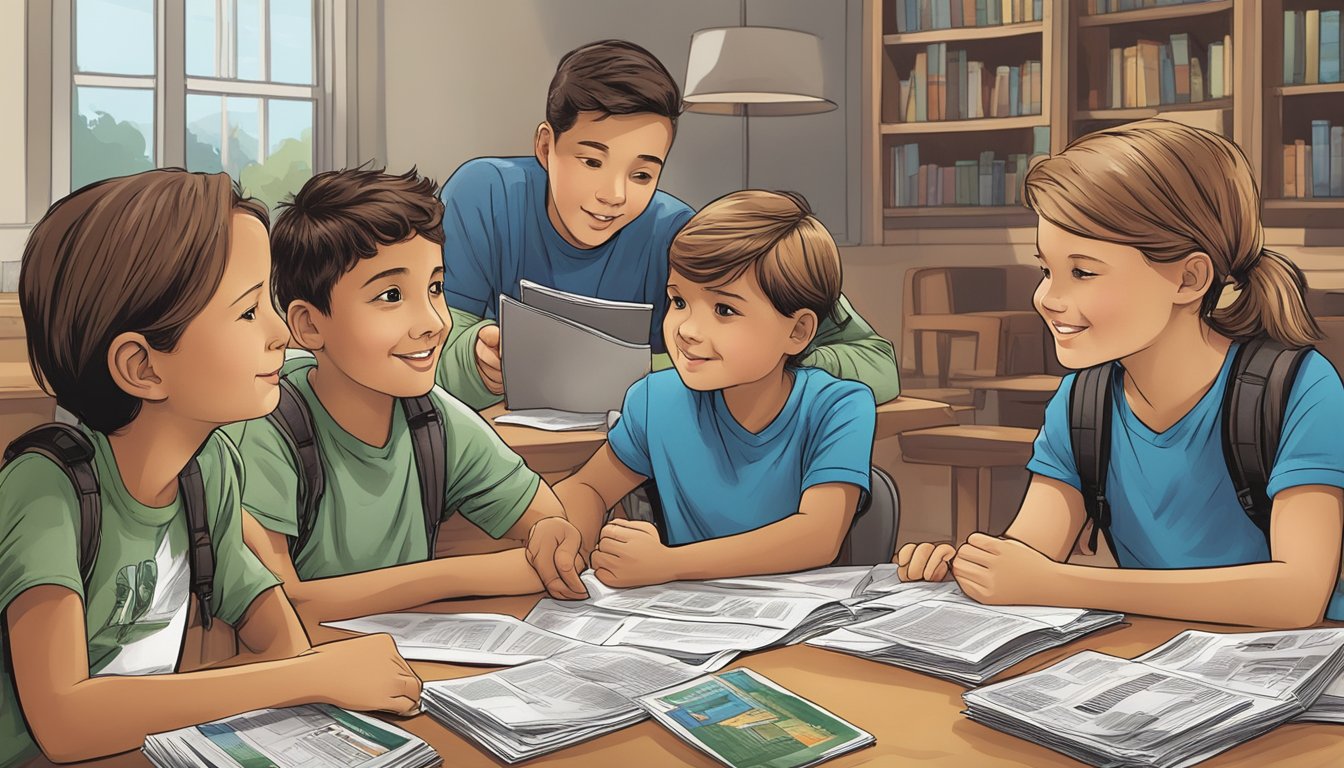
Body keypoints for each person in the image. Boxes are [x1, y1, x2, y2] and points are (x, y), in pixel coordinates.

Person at [0, 170, 420, 766]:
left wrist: (310, 673)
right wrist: (308, 677)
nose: (281, 333)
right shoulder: (46, 489)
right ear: (143, 368)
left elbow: (266, 617)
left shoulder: (210, 467)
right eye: (249, 313)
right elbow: (64, 721)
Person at [896, 119, 1344, 629]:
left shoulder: (1298, 390)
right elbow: (1029, 556)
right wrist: (969, 568)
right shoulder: (1082, 401)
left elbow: (1298, 594)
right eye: (1046, 270)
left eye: (1083, 272)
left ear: (1189, 278)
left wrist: (1058, 583)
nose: (1046, 298)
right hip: (1150, 660)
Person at [435, 39, 900, 410]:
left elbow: (875, 363)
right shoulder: (484, 197)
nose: (613, 195)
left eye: (642, 174)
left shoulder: (681, 233)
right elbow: (426, 351)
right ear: (545, 147)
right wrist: (475, 361)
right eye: (591, 161)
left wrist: (772, 364)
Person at [226, 167, 588, 632]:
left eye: (435, 288)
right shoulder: (268, 426)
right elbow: (280, 606)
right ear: (309, 325)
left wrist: (552, 534)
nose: (434, 322)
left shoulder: (433, 418)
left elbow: (547, 523)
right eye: (392, 295)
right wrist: (462, 574)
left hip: (410, 658)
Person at [555, 190, 877, 588]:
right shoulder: (657, 400)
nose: (687, 330)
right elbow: (587, 486)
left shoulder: (839, 407)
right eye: (678, 301)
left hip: (795, 621)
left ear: (797, 331)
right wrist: (571, 536)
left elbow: (818, 537)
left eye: (724, 310)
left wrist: (666, 564)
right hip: (685, 619)